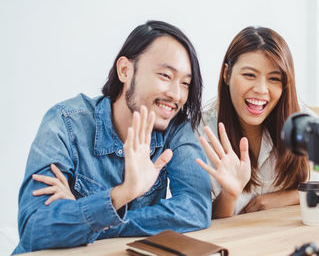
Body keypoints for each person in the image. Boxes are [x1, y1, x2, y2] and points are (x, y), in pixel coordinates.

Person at [13, 21, 211, 254]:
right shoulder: (65, 122)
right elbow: (35, 229)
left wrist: (99, 220)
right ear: (125, 70)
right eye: (165, 75)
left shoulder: (175, 129)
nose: (176, 94)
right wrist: (122, 194)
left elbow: (195, 209)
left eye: (185, 83)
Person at [195, 27, 319, 218]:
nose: (262, 89)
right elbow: (200, 221)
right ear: (227, 74)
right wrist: (229, 195)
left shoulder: (299, 121)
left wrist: (291, 197)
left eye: (274, 79)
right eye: (249, 75)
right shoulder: (199, 132)